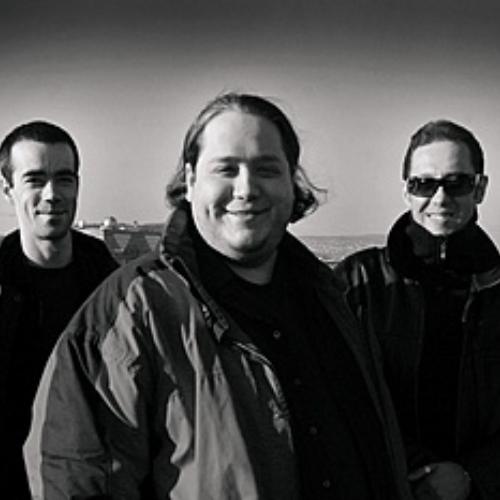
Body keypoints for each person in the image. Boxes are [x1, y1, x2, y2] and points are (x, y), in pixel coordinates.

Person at [25, 93, 412, 500]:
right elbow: (77, 478)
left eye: (266, 169)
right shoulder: (131, 314)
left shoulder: (331, 299)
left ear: (291, 181)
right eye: (226, 169)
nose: (247, 189)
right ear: (191, 181)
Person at [334, 120, 500, 500]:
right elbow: (333, 396)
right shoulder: (358, 283)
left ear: (480, 188)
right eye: (424, 184)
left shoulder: (496, 291)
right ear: (406, 190)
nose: (440, 198)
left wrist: (472, 476)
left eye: (456, 183)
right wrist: (412, 468)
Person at [0, 120, 118, 499]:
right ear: (8, 190)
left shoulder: (114, 288)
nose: (52, 194)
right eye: (35, 180)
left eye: (64, 179)